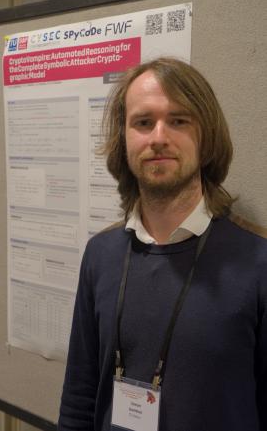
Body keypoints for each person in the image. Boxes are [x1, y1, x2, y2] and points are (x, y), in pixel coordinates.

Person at [58, 58, 267, 431]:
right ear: (124, 140)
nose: (158, 137)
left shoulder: (258, 261)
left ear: (207, 138)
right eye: (143, 122)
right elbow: (79, 396)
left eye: (179, 120)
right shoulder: (100, 255)